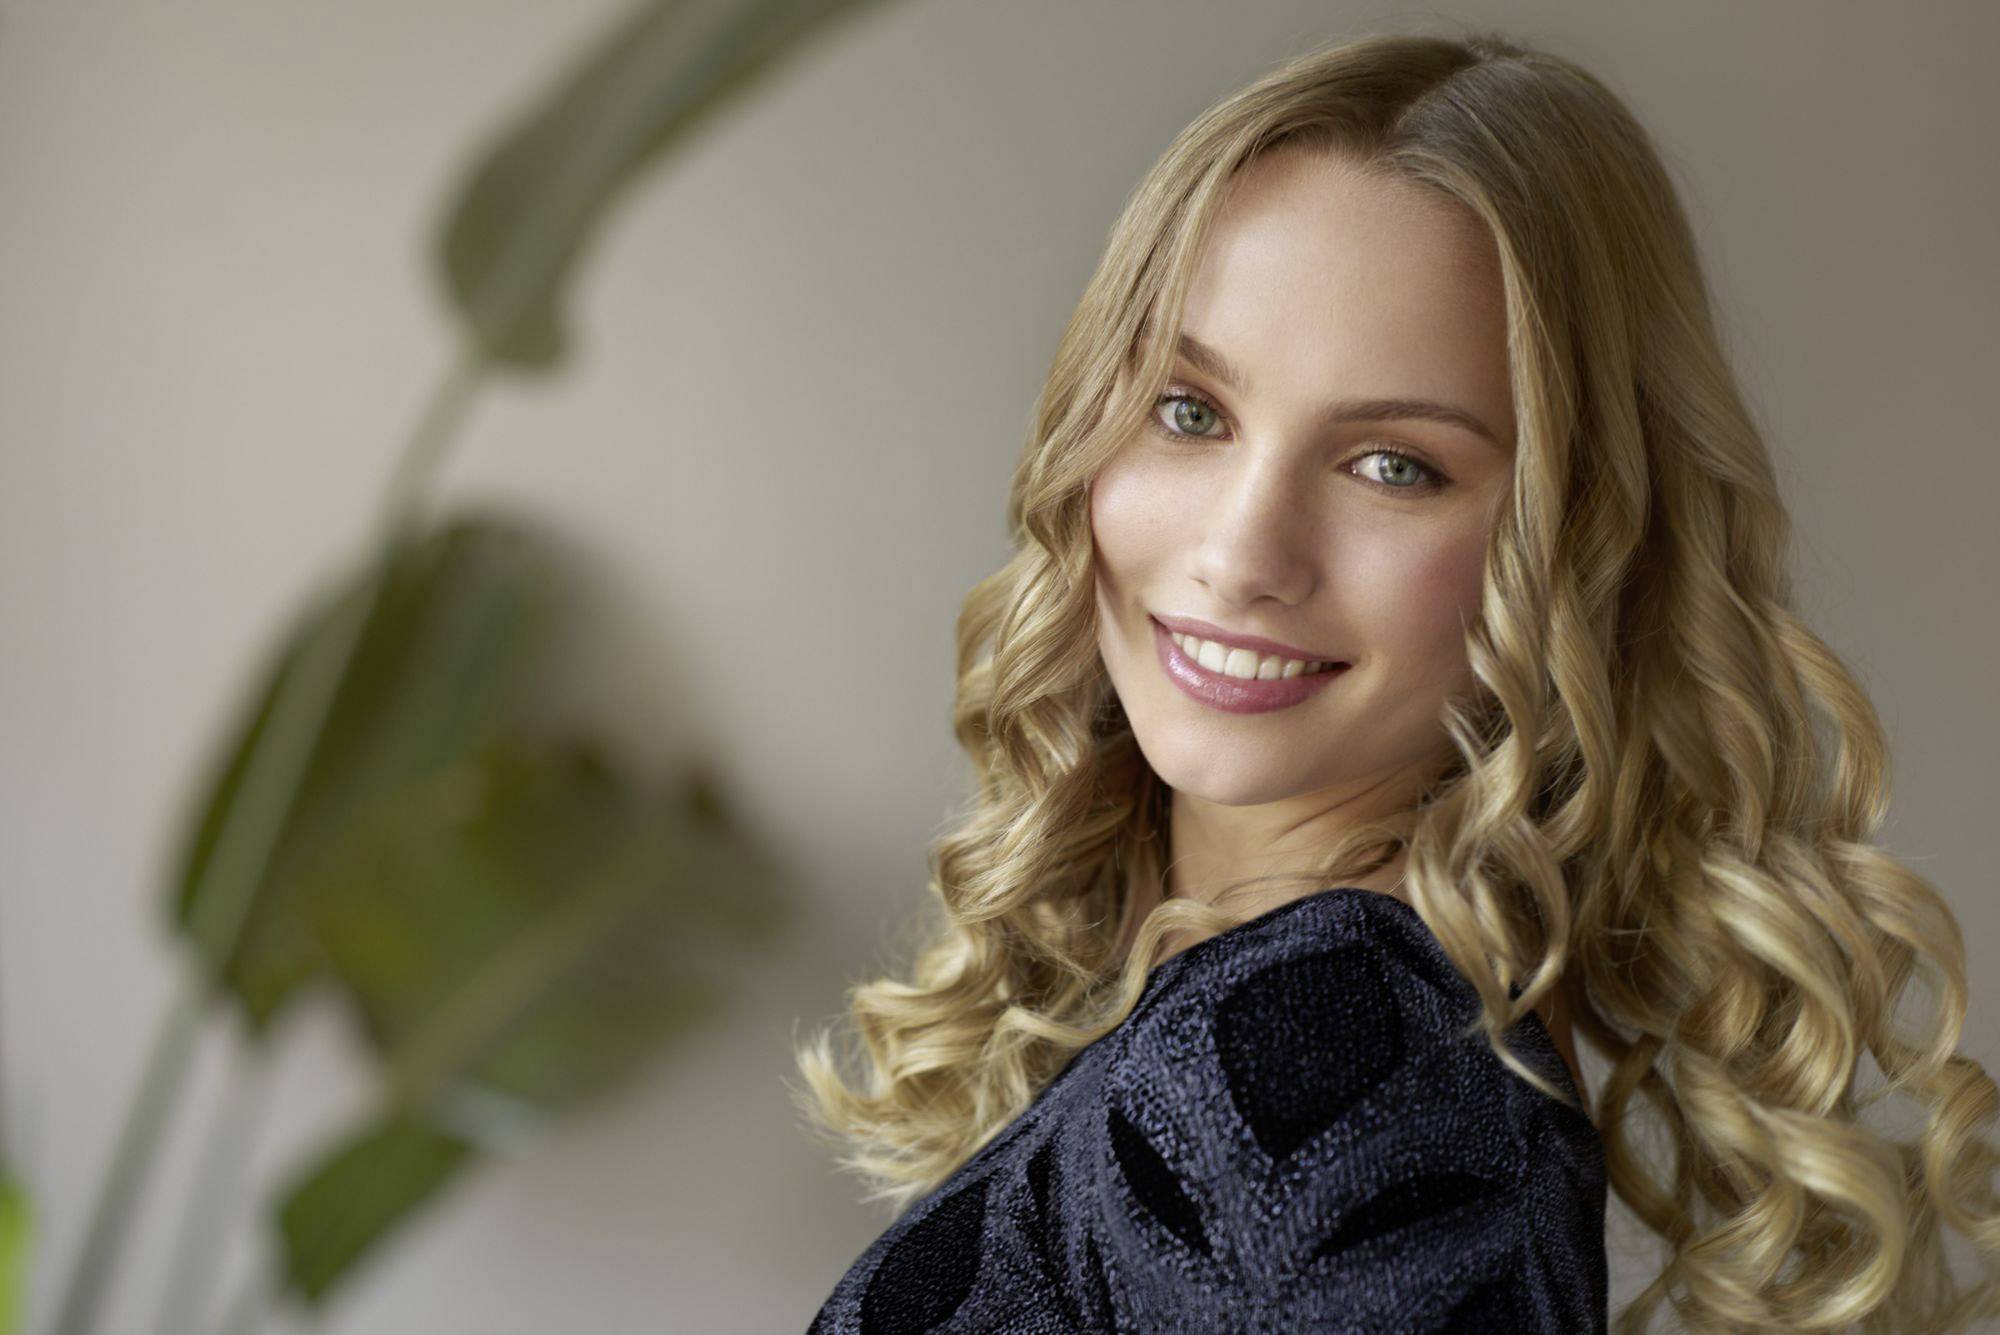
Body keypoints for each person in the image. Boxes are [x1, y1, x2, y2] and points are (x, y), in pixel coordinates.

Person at [791, 27, 2000, 1334]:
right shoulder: (1320, 1025)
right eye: (1190, 410)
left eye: (1394, 465)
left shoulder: (1318, 1064)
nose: (1241, 554)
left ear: (1570, 546)